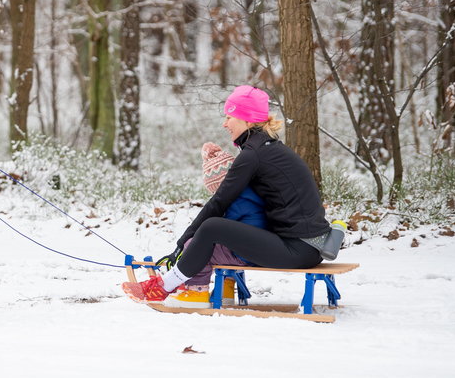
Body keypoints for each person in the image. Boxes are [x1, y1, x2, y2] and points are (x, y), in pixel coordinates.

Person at [123, 85, 331, 304]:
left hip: (298, 249)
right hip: (312, 246)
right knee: (213, 227)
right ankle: (179, 282)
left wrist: (183, 241)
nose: (225, 124)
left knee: (212, 226)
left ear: (248, 120)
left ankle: (163, 287)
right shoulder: (270, 149)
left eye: (230, 117)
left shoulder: (254, 155)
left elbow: (219, 202)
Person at [164, 142, 267, 308]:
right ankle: (226, 290)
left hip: (245, 255)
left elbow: (225, 231)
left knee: (198, 247)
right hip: (259, 249)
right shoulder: (251, 194)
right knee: (223, 245)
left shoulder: (236, 202)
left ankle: (196, 293)